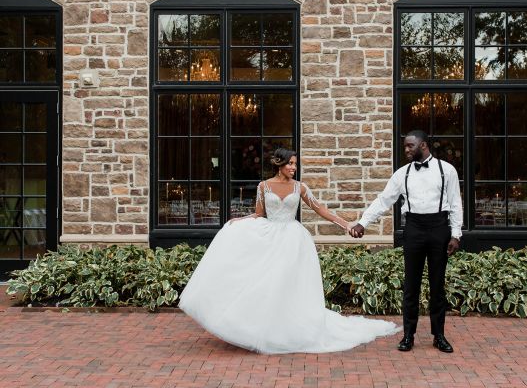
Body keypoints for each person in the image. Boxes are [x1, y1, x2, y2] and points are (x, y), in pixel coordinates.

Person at [179, 148, 399, 354]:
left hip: (293, 240)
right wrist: (240, 220)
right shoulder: (263, 187)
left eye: (295, 164)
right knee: (267, 283)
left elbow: (320, 209)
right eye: (290, 163)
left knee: (288, 284)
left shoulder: (299, 187)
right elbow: (259, 214)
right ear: (280, 164)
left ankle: (292, 329)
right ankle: (266, 328)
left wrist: (347, 225)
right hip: (270, 238)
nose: (294, 167)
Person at [349, 130, 463, 353]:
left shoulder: (446, 170)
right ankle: (408, 335)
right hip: (413, 229)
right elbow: (384, 200)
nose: (407, 150)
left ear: (423, 145)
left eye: (410, 146)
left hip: (439, 228)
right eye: (405, 146)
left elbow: (456, 203)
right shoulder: (402, 174)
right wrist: (363, 222)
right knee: (411, 286)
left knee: (437, 285)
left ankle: (438, 335)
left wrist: (455, 234)